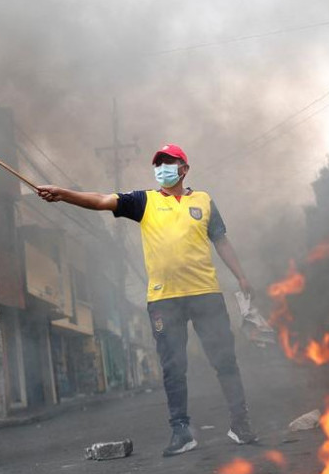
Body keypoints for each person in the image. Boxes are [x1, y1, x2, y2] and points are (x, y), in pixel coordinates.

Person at [36, 143, 259, 457]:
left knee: (225, 360)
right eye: (158, 164)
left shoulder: (204, 201)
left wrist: (241, 276)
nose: (163, 168)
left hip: (206, 293)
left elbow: (220, 240)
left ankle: (240, 423)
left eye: (169, 162)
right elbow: (102, 200)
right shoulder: (144, 201)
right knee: (172, 368)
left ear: (184, 168)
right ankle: (181, 431)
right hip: (164, 299)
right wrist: (62, 193)